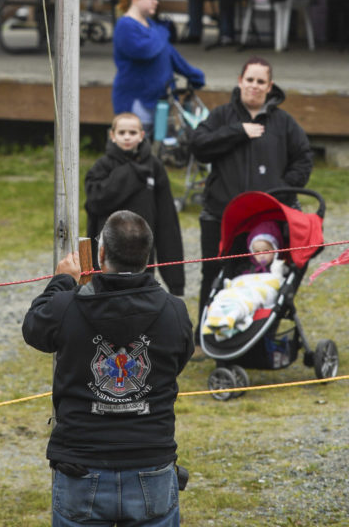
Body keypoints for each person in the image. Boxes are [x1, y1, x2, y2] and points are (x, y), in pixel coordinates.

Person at [22, 210, 193, 527]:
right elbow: (179, 359)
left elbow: (34, 326)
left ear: (100, 254)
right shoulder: (174, 311)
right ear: (147, 255)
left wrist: (62, 281)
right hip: (149, 464)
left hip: (82, 466)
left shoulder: (67, 307)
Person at [190, 56, 312, 342]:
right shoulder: (221, 116)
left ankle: (254, 338)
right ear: (240, 81)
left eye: (260, 81)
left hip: (265, 220)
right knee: (214, 274)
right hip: (221, 215)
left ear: (270, 86)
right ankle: (205, 336)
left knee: (260, 276)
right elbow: (198, 146)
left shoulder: (284, 122)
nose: (254, 86)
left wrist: (281, 190)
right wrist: (238, 131)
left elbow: (304, 159)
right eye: (250, 80)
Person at [84, 112, 185, 294]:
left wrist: (175, 281)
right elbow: (94, 202)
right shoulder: (102, 166)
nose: (127, 137)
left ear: (141, 135)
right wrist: (130, 172)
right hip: (108, 250)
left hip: (142, 249)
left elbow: (167, 219)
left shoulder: (154, 167)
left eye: (132, 132)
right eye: (122, 132)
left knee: (140, 296)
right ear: (112, 135)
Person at [112, 0, 205, 135]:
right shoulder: (125, 26)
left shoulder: (152, 25)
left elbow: (170, 54)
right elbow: (145, 51)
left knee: (163, 144)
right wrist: (163, 32)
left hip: (161, 99)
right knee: (138, 143)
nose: (156, 2)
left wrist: (193, 74)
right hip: (136, 100)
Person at [202, 222, 286, 340]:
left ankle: (229, 318)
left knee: (244, 303)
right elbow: (238, 283)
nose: (261, 256)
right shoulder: (245, 268)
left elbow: (276, 282)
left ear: (275, 249)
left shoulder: (277, 267)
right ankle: (216, 316)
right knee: (224, 296)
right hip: (242, 289)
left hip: (259, 292)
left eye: (266, 251)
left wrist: (279, 271)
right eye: (257, 252)